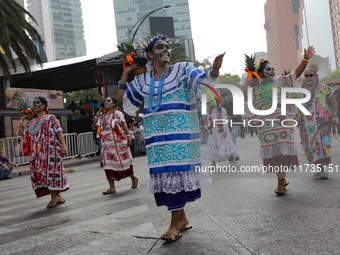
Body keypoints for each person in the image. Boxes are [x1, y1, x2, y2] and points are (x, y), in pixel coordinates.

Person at [117, 34, 225, 242]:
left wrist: (215, 69)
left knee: (175, 176)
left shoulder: (183, 70)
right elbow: (123, 100)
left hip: (181, 139)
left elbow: (204, 81)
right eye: (160, 47)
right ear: (150, 54)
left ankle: (174, 226)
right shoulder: (142, 80)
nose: (165, 49)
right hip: (157, 142)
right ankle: (183, 219)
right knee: (167, 180)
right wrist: (126, 73)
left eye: (167, 46)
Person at [242, 46, 315, 195]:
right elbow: (243, 96)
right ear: (261, 73)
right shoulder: (255, 88)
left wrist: (305, 59)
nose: (272, 71)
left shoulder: (282, 81)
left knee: (282, 153)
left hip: (282, 126)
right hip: (266, 128)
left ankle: (280, 183)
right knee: (276, 155)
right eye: (268, 69)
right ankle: (282, 179)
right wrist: (248, 77)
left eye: (273, 69)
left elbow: (296, 73)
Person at [18, 97, 69, 208]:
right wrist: (22, 120)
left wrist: (64, 146)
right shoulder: (32, 123)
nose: (35, 105)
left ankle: (54, 198)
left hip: (51, 152)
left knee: (50, 174)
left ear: (44, 106)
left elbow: (59, 132)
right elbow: (22, 134)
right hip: (37, 154)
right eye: (34, 103)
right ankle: (59, 196)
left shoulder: (51, 118)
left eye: (38, 103)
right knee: (42, 175)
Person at [297, 68, 338, 179]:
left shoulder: (324, 88)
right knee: (311, 146)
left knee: (322, 145)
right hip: (305, 125)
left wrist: (334, 116)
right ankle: (318, 169)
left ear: (316, 77)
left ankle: (323, 170)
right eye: (306, 75)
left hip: (322, 123)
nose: (309, 77)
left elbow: (333, 102)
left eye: (311, 75)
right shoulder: (300, 91)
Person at [99, 97, 138, 194]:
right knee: (107, 165)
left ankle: (133, 178)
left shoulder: (117, 113)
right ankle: (112, 187)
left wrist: (128, 137)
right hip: (106, 145)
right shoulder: (103, 116)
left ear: (114, 104)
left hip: (118, 144)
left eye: (109, 101)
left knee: (122, 162)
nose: (106, 103)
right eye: (105, 101)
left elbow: (124, 126)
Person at [202, 100, 239, 165]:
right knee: (213, 144)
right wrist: (209, 128)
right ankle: (213, 162)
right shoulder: (210, 111)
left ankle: (232, 159)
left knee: (225, 144)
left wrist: (225, 131)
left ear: (217, 102)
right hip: (213, 130)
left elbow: (225, 120)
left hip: (221, 129)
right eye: (210, 101)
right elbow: (209, 120)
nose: (211, 102)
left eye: (213, 101)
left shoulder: (222, 110)